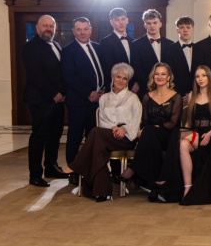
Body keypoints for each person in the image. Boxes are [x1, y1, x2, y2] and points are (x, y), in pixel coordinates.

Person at [62, 63, 142, 201]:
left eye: (124, 78)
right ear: (112, 77)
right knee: (97, 148)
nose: (121, 80)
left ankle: (76, 165)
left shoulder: (133, 98)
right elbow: (102, 120)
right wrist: (114, 128)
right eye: (118, 77)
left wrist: (123, 128)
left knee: (95, 133)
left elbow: (136, 121)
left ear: (128, 81)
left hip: (126, 138)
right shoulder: (104, 98)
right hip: (108, 135)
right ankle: (102, 192)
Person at [118, 63, 182, 200]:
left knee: (149, 133)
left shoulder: (176, 97)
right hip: (150, 136)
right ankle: (155, 186)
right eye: (157, 73)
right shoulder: (147, 96)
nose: (159, 76)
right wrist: (144, 130)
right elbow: (145, 121)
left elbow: (173, 123)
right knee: (149, 136)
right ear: (153, 76)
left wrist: (154, 128)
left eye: (163, 74)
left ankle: (133, 168)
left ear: (169, 77)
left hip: (168, 135)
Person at [21, 14, 68, 187]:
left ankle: (51, 167)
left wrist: (62, 93)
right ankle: (35, 174)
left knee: (54, 135)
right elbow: (36, 75)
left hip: (58, 100)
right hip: (41, 100)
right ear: (37, 27)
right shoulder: (30, 47)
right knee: (39, 136)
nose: (48, 29)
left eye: (51, 26)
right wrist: (53, 93)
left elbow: (60, 72)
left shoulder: (56, 45)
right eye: (45, 26)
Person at [167, 65, 211, 204]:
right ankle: (188, 187)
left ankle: (165, 175)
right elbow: (188, 122)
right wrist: (184, 133)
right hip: (194, 134)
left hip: (209, 135)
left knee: (176, 136)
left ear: (209, 77)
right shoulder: (191, 96)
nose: (200, 79)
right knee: (182, 143)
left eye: (204, 75)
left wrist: (210, 134)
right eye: (197, 76)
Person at [61, 17, 105, 166]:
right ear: (73, 31)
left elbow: (102, 71)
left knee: (93, 136)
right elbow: (69, 76)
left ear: (90, 30)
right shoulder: (68, 51)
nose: (82, 32)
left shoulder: (98, 48)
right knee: (75, 136)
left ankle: (91, 167)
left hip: (97, 101)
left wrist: (103, 89)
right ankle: (73, 168)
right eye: (79, 29)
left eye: (85, 29)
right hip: (78, 102)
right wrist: (88, 93)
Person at [131, 9, 174, 97]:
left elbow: (172, 66)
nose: (152, 26)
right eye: (149, 23)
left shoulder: (170, 44)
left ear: (160, 24)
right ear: (145, 25)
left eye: (155, 23)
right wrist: (152, 83)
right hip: (146, 88)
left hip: (167, 88)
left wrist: (166, 82)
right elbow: (136, 67)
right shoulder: (136, 44)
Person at [167, 16, 202, 105]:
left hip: (197, 94)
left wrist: (194, 92)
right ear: (177, 30)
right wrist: (179, 95)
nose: (185, 30)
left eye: (188, 27)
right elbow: (169, 74)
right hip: (177, 95)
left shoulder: (199, 48)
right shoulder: (169, 50)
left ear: (192, 29)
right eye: (182, 27)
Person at [99, 8, 134, 93]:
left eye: (123, 19)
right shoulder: (105, 42)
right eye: (116, 20)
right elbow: (108, 68)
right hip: (115, 87)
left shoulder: (132, 41)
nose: (121, 22)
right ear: (111, 22)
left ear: (127, 20)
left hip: (133, 88)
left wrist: (134, 83)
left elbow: (135, 65)